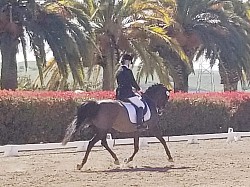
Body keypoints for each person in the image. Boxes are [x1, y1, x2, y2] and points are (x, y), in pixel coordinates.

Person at [115, 54, 145, 129]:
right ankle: (139, 124)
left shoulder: (118, 71)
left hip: (119, 94)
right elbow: (132, 82)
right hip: (127, 94)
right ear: (127, 61)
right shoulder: (128, 71)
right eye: (129, 62)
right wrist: (138, 89)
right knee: (141, 105)